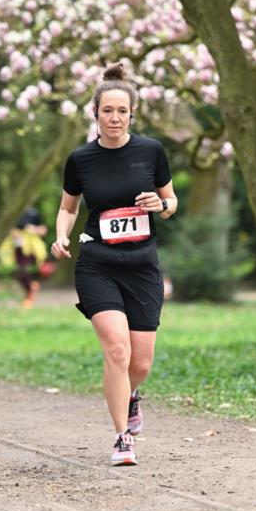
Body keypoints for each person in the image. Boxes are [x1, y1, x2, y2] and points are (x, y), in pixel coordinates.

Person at [51, 62, 177, 466]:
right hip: (97, 264)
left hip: (141, 266)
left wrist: (162, 205)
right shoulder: (81, 159)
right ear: (96, 113)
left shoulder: (151, 152)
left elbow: (171, 202)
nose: (115, 118)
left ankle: (131, 395)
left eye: (122, 111)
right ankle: (122, 437)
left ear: (132, 114)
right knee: (117, 351)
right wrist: (60, 234)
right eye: (108, 110)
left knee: (140, 362)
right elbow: (68, 208)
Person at [0, 207, 49, 307]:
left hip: (31, 249)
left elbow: (43, 230)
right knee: (19, 272)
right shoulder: (13, 212)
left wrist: (33, 230)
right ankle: (30, 292)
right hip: (16, 249)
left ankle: (31, 291)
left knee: (24, 271)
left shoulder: (33, 213)